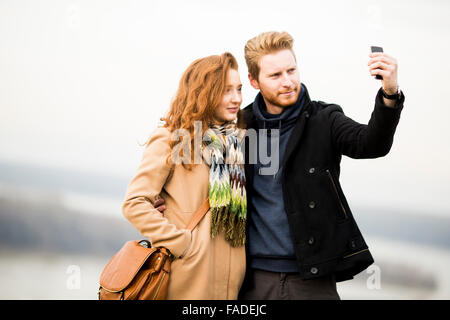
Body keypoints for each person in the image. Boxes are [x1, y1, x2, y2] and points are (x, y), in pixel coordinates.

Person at [237, 31, 405, 300]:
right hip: (252, 280)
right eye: (275, 75)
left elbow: (371, 144)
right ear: (254, 81)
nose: (288, 81)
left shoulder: (325, 120)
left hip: (312, 279)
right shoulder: (240, 127)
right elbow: (202, 180)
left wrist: (389, 92)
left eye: (291, 70)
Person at [121, 52, 247, 299]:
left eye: (239, 89)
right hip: (188, 279)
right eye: (226, 90)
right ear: (204, 92)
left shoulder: (233, 143)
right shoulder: (170, 138)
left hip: (231, 285)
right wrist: (184, 244)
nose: (237, 99)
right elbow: (134, 204)